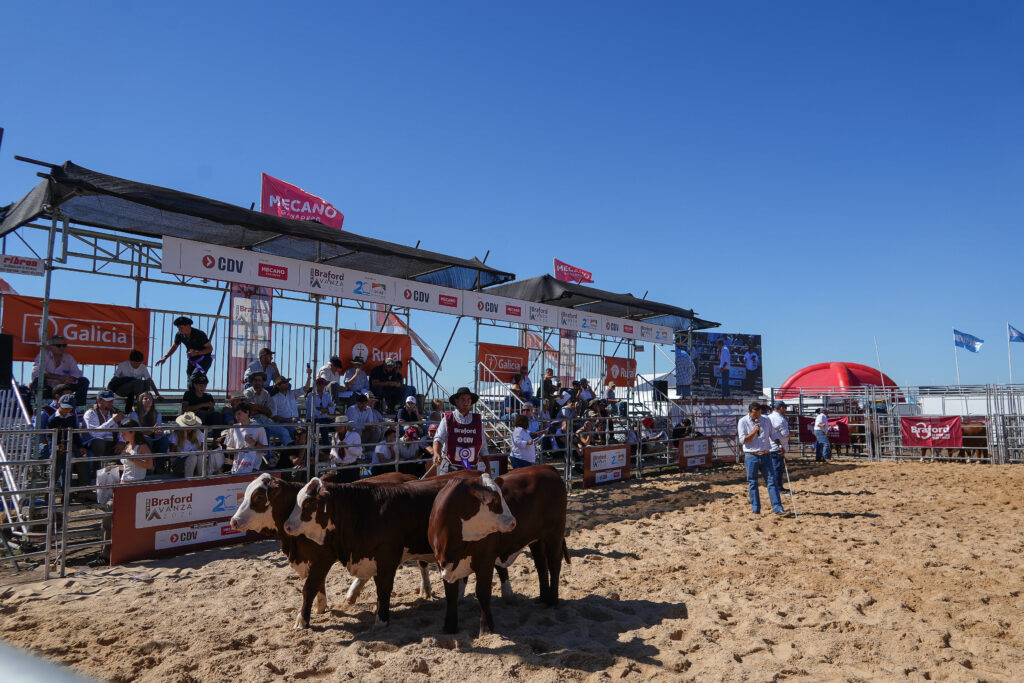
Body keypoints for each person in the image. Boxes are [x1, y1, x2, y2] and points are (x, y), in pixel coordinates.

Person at [738, 402, 790, 517]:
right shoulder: (743, 421)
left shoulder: (766, 420)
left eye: (759, 414)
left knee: (772, 482)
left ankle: (778, 508)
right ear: (750, 412)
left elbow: (773, 435)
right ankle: (756, 508)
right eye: (755, 415)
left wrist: (780, 446)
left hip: (766, 454)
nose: (757, 417)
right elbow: (743, 440)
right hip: (751, 455)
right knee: (753, 482)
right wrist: (754, 431)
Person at [432, 386, 488, 473]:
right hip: (450, 469)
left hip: (470, 469)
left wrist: (488, 466)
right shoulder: (448, 419)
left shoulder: (477, 421)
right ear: (456, 401)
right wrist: (436, 453)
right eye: (463, 399)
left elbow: (483, 446)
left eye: (468, 399)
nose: (466, 402)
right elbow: (438, 439)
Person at [31, 335, 90, 407]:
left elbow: (77, 373)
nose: (62, 348)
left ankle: (79, 407)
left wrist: (71, 379)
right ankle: (43, 405)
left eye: (64, 345)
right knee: (39, 380)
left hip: (63, 389)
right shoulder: (43, 355)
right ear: (51, 346)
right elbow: (38, 371)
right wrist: (59, 377)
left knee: (83, 381)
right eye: (58, 345)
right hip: (48, 389)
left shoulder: (69, 357)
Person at [156, 316, 213, 384]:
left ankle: (199, 393)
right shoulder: (179, 335)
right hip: (192, 360)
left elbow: (210, 348)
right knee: (190, 380)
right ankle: (190, 394)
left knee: (196, 377)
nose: (180, 330)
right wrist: (165, 357)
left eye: (181, 327)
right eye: (178, 328)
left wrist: (197, 353)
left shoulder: (199, 334)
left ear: (188, 326)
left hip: (204, 359)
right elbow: (174, 346)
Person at [243, 371, 292, 447]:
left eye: (260, 380)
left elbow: (270, 412)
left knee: (284, 432)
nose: (257, 382)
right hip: (253, 421)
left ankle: (289, 455)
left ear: (263, 382)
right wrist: (264, 410)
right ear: (252, 381)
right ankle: (269, 457)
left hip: (266, 420)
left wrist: (258, 408)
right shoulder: (247, 392)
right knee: (264, 433)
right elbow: (251, 411)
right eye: (255, 380)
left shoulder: (266, 393)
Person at [128, 391, 170, 473]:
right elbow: (137, 432)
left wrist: (159, 432)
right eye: (145, 398)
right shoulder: (134, 414)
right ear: (140, 401)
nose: (148, 400)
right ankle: (147, 467)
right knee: (146, 439)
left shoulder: (157, 414)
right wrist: (151, 430)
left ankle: (159, 467)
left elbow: (158, 427)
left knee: (164, 439)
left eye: (150, 399)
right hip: (139, 439)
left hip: (154, 437)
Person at [222, 402, 267, 474]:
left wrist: (253, 443)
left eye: (239, 413)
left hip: (253, 468)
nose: (237, 416)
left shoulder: (259, 427)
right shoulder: (234, 428)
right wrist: (240, 450)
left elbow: (266, 450)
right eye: (235, 414)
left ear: (247, 412)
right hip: (237, 468)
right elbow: (228, 449)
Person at [83, 390, 125, 462]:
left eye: (112, 400)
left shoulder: (116, 412)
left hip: (112, 443)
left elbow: (123, 429)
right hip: (95, 445)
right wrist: (112, 421)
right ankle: (96, 469)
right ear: (99, 401)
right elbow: (94, 434)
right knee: (99, 442)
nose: (111, 403)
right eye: (108, 401)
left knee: (128, 444)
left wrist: (122, 441)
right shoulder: (91, 413)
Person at [270, 371, 312, 444]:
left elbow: (306, 388)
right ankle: (305, 452)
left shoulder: (292, 393)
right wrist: (289, 419)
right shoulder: (274, 398)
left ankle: (310, 451)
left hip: (296, 421)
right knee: (299, 433)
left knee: (308, 433)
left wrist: (309, 376)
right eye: (284, 382)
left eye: (286, 382)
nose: (287, 383)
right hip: (284, 423)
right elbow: (274, 416)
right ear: (278, 386)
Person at [172, 412, 213, 478]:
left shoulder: (198, 432)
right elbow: (172, 454)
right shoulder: (176, 435)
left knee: (200, 457)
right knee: (192, 458)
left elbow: (205, 448)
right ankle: (189, 480)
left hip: (196, 461)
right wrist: (187, 454)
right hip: (180, 463)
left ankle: (201, 478)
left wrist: (197, 451)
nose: (189, 429)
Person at [328, 415, 362, 482]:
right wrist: (332, 454)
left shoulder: (354, 435)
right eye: (337, 425)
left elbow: (359, 452)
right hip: (339, 468)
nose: (338, 427)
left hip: (351, 468)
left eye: (341, 425)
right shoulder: (334, 437)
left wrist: (348, 446)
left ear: (346, 426)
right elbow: (333, 449)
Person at [768, 400, 791, 494]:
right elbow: (785, 434)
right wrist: (793, 434)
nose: (785, 409)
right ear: (781, 408)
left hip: (770, 446)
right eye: (785, 407)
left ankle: (776, 487)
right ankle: (778, 488)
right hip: (778, 446)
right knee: (777, 468)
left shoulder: (769, 417)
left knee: (773, 468)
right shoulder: (781, 419)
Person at [306, 376, 336, 444]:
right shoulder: (310, 395)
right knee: (324, 427)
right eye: (320, 384)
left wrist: (322, 410)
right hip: (313, 419)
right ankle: (326, 448)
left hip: (324, 418)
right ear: (316, 385)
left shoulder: (327, 395)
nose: (322, 386)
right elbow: (312, 411)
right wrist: (326, 409)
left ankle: (337, 447)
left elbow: (332, 409)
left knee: (338, 426)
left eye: (323, 384)